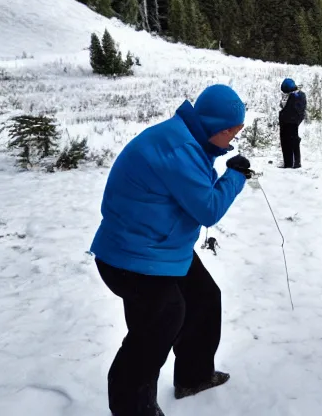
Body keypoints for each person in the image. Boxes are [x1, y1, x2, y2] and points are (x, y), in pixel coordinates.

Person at [90, 84, 253, 416]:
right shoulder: (180, 150)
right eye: (233, 133)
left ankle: (194, 376)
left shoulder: (188, 139)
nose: (233, 140)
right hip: (133, 258)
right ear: (218, 128)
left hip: (157, 246)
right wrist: (234, 176)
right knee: (157, 328)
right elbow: (207, 210)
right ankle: (134, 408)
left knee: (204, 298)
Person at [278, 77, 307, 169]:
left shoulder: (298, 95)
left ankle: (294, 163)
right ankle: (288, 163)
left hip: (291, 122)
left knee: (292, 141)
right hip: (287, 121)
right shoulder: (296, 95)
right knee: (286, 141)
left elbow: (297, 110)